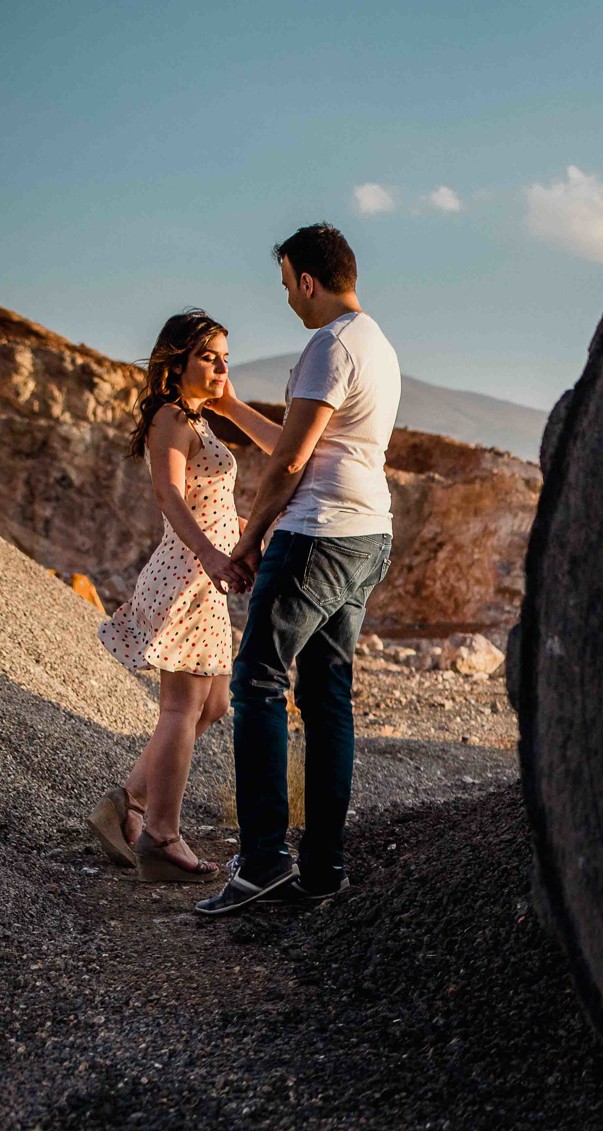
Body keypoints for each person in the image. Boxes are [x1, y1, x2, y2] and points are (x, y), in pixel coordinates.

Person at [194, 222, 398, 917]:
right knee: (325, 695)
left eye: (287, 285)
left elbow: (290, 462)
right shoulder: (377, 345)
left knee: (254, 680)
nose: (288, 299)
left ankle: (262, 862)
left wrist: (249, 541)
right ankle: (322, 868)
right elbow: (300, 438)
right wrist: (229, 408)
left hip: (315, 534)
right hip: (367, 534)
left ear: (307, 279)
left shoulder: (328, 343)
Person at [90, 311, 260, 881]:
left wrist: (240, 536)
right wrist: (213, 555)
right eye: (210, 356)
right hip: (185, 577)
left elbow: (221, 492)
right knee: (181, 709)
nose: (220, 367)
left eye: (225, 358)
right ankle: (161, 837)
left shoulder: (202, 419)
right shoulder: (170, 417)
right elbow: (169, 495)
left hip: (205, 580)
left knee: (210, 706)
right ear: (177, 360)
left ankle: (126, 804)